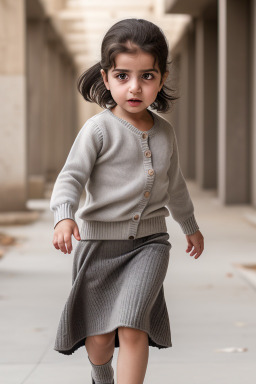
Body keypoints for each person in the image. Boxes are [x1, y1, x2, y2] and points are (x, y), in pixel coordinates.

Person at [50, 18, 204, 384]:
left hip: (150, 245)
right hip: (99, 247)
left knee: (133, 326)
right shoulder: (98, 130)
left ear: (161, 79)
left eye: (147, 76)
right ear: (106, 78)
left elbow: (175, 185)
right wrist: (64, 216)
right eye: (122, 76)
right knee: (100, 342)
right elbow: (71, 176)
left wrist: (190, 226)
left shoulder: (165, 132)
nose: (135, 87)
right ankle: (100, 373)